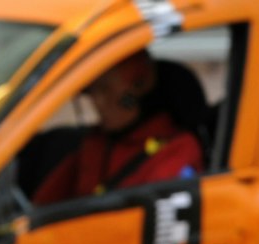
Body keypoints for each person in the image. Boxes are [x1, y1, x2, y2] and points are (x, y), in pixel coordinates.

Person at [32, 52, 203, 206]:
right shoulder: (94, 143)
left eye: (105, 89)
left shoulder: (178, 149)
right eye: (92, 92)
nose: (97, 102)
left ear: (137, 92)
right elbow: (41, 205)